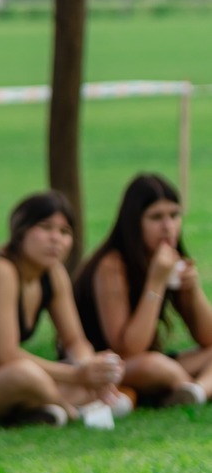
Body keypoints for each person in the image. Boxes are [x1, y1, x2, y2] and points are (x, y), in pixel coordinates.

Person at [0, 190, 124, 427]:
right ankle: (70, 409)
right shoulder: (0, 272)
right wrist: (78, 376)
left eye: (64, 232)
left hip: (1, 379)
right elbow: (6, 356)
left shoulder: (53, 273)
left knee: (97, 371)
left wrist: (90, 368)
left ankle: (42, 410)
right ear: (20, 232)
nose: (56, 239)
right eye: (45, 227)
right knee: (25, 374)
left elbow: (74, 341)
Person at [73, 173, 212, 407]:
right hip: (109, 366)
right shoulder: (112, 265)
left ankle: (196, 391)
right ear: (134, 222)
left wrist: (193, 289)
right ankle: (187, 386)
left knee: (163, 366)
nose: (168, 227)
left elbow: (208, 338)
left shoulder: (167, 259)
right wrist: (156, 282)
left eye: (174, 215)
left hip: (150, 360)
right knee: (157, 367)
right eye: (156, 217)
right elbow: (128, 349)